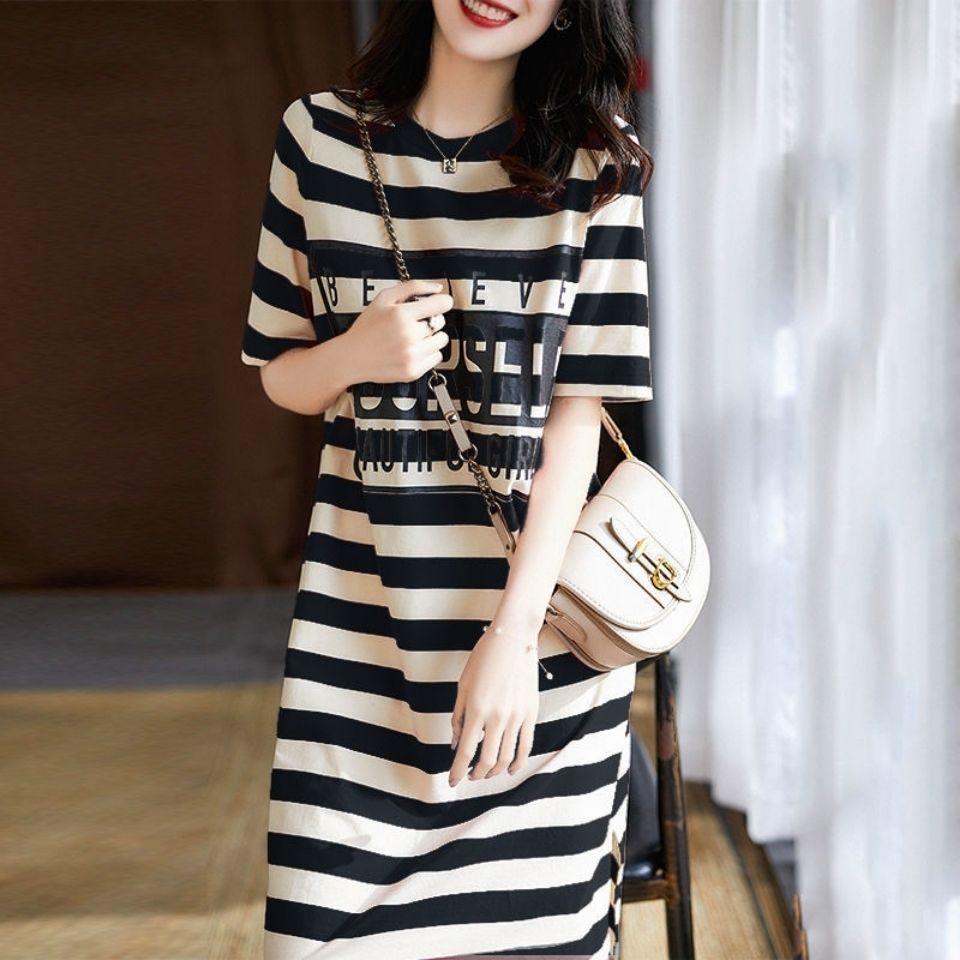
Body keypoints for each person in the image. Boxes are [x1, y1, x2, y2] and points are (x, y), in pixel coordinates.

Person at [240, 1, 654, 957]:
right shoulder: (318, 140)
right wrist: (357, 354)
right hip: (357, 652)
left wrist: (511, 642)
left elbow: (576, 427)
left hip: (536, 658)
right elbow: (279, 374)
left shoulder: (599, 166)